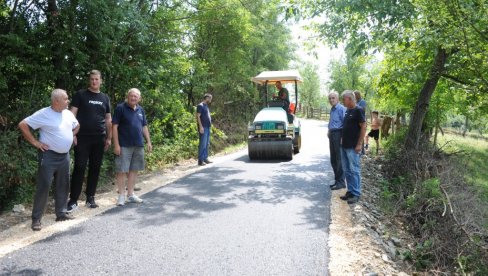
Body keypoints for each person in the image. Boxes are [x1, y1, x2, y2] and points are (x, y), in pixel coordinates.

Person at [18, 89, 79, 231]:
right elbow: (23, 124)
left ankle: (61, 213)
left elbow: (77, 126)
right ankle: (36, 219)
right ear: (56, 101)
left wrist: (71, 135)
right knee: (44, 185)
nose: (68, 101)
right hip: (49, 155)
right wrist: (35, 143)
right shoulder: (44, 113)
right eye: (65, 98)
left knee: (63, 184)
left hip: (64, 155)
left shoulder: (68, 113)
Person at [67, 70, 112, 212]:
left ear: (101, 81)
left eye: (96, 79)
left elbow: (108, 119)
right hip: (82, 137)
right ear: (89, 80)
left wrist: (109, 137)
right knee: (79, 167)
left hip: (99, 138)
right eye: (92, 79)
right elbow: (71, 115)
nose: (94, 81)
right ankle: (73, 200)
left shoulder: (105, 98)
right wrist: (72, 133)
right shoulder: (80, 95)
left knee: (95, 167)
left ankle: (90, 197)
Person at [112, 88, 152, 206]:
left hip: (138, 145)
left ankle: (130, 194)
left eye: (136, 96)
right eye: (131, 96)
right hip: (124, 145)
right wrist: (116, 145)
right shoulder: (120, 108)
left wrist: (148, 141)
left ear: (139, 98)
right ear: (127, 96)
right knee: (121, 170)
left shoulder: (141, 110)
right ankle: (121, 196)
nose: (133, 98)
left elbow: (144, 127)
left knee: (134, 169)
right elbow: (114, 126)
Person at [340, 90, 367, 204]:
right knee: (347, 170)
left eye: (344, 99)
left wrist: (359, 144)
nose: (342, 101)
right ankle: (350, 191)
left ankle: (356, 193)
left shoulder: (358, 110)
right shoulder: (347, 110)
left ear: (350, 99)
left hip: (353, 146)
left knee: (354, 170)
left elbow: (364, 127)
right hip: (344, 145)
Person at [327, 92, 346, 190]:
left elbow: (345, 124)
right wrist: (329, 131)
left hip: (339, 134)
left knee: (339, 159)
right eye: (330, 98)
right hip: (332, 134)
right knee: (333, 159)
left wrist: (342, 137)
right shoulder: (332, 109)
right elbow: (332, 121)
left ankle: (341, 182)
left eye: (333, 98)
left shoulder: (341, 109)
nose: (331, 100)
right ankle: (337, 180)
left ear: (337, 99)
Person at [196, 93, 213, 166]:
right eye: (210, 98)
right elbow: (197, 116)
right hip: (203, 127)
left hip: (208, 127)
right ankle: (200, 160)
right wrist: (201, 127)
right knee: (202, 144)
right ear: (206, 98)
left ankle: (205, 158)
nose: (210, 100)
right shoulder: (200, 105)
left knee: (206, 144)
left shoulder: (206, 106)